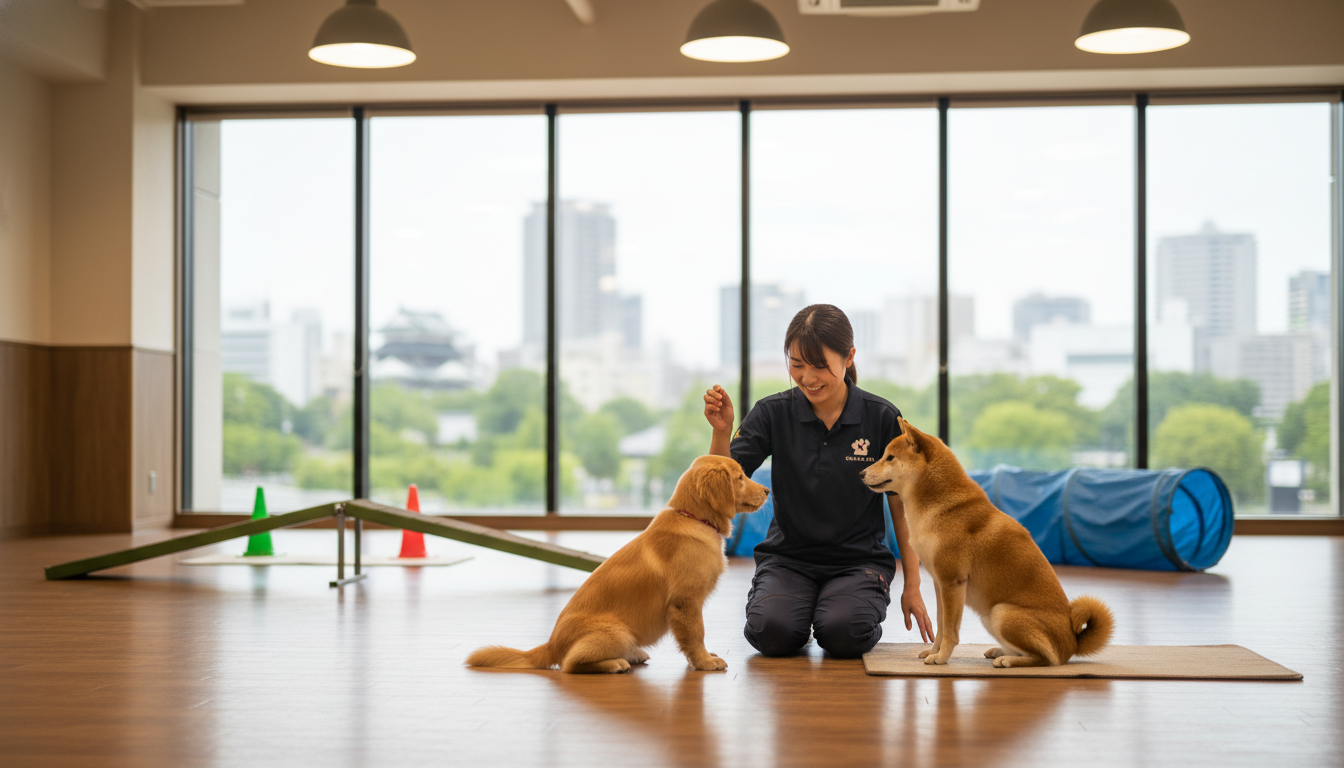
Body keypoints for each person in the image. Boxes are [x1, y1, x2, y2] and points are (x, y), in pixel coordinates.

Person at [704, 304, 934, 658]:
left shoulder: (882, 417)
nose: (808, 377)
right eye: (796, 364)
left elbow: (904, 507)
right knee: (772, 633)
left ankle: (836, 607)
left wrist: (913, 585)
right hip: (788, 559)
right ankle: (799, 608)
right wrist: (721, 433)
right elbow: (725, 482)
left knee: (844, 634)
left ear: (849, 357)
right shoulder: (772, 413)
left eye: (820, 365)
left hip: (859, 562)